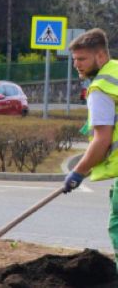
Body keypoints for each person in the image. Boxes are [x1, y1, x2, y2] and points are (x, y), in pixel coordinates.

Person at [62, 28, 118, 265]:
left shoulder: (100, 89)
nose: (77, 65)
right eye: (74, 59)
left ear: (101, 57)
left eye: (82, 59)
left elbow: (102, 139)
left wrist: (77, 172)